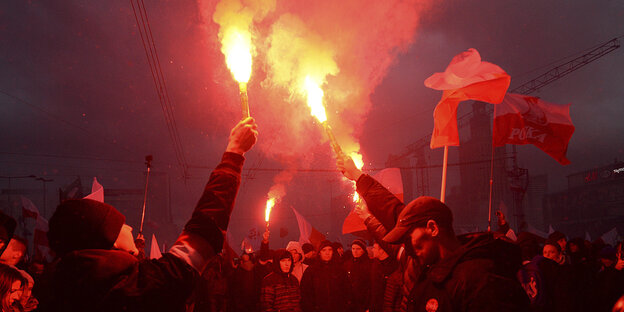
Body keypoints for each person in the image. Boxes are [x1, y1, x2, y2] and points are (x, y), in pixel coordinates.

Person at [41, 117, 258, 312]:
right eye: (120, 226)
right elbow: (204, 231)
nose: (129, 228)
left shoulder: (68, 290)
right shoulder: (134, 289)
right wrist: (234, 154)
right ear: (108, 241)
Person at [337, 155, 529, 312]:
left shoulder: (479, 282)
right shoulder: (427, 266)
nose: (408, 244)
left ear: (433, 228)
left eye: (410, 235)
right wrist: (357, 176)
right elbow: (394, 211)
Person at [300, 240, 351, 312]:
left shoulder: (340, 270)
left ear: (333, 252)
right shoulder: (311, 270)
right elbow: (305, 293)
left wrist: (344, 307)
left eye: (330, 250)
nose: (327, 253)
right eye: (324, 250)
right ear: (319, 253)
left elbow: (346, 291)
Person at [343, 239, 371, 312]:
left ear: (363, 250)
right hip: (349, 303)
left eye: (358, 249)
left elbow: (370, 287)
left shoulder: (369, 265)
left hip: (363, 303)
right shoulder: (347, 264)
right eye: (353, 248)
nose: (355, 251)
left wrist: (368, 305)